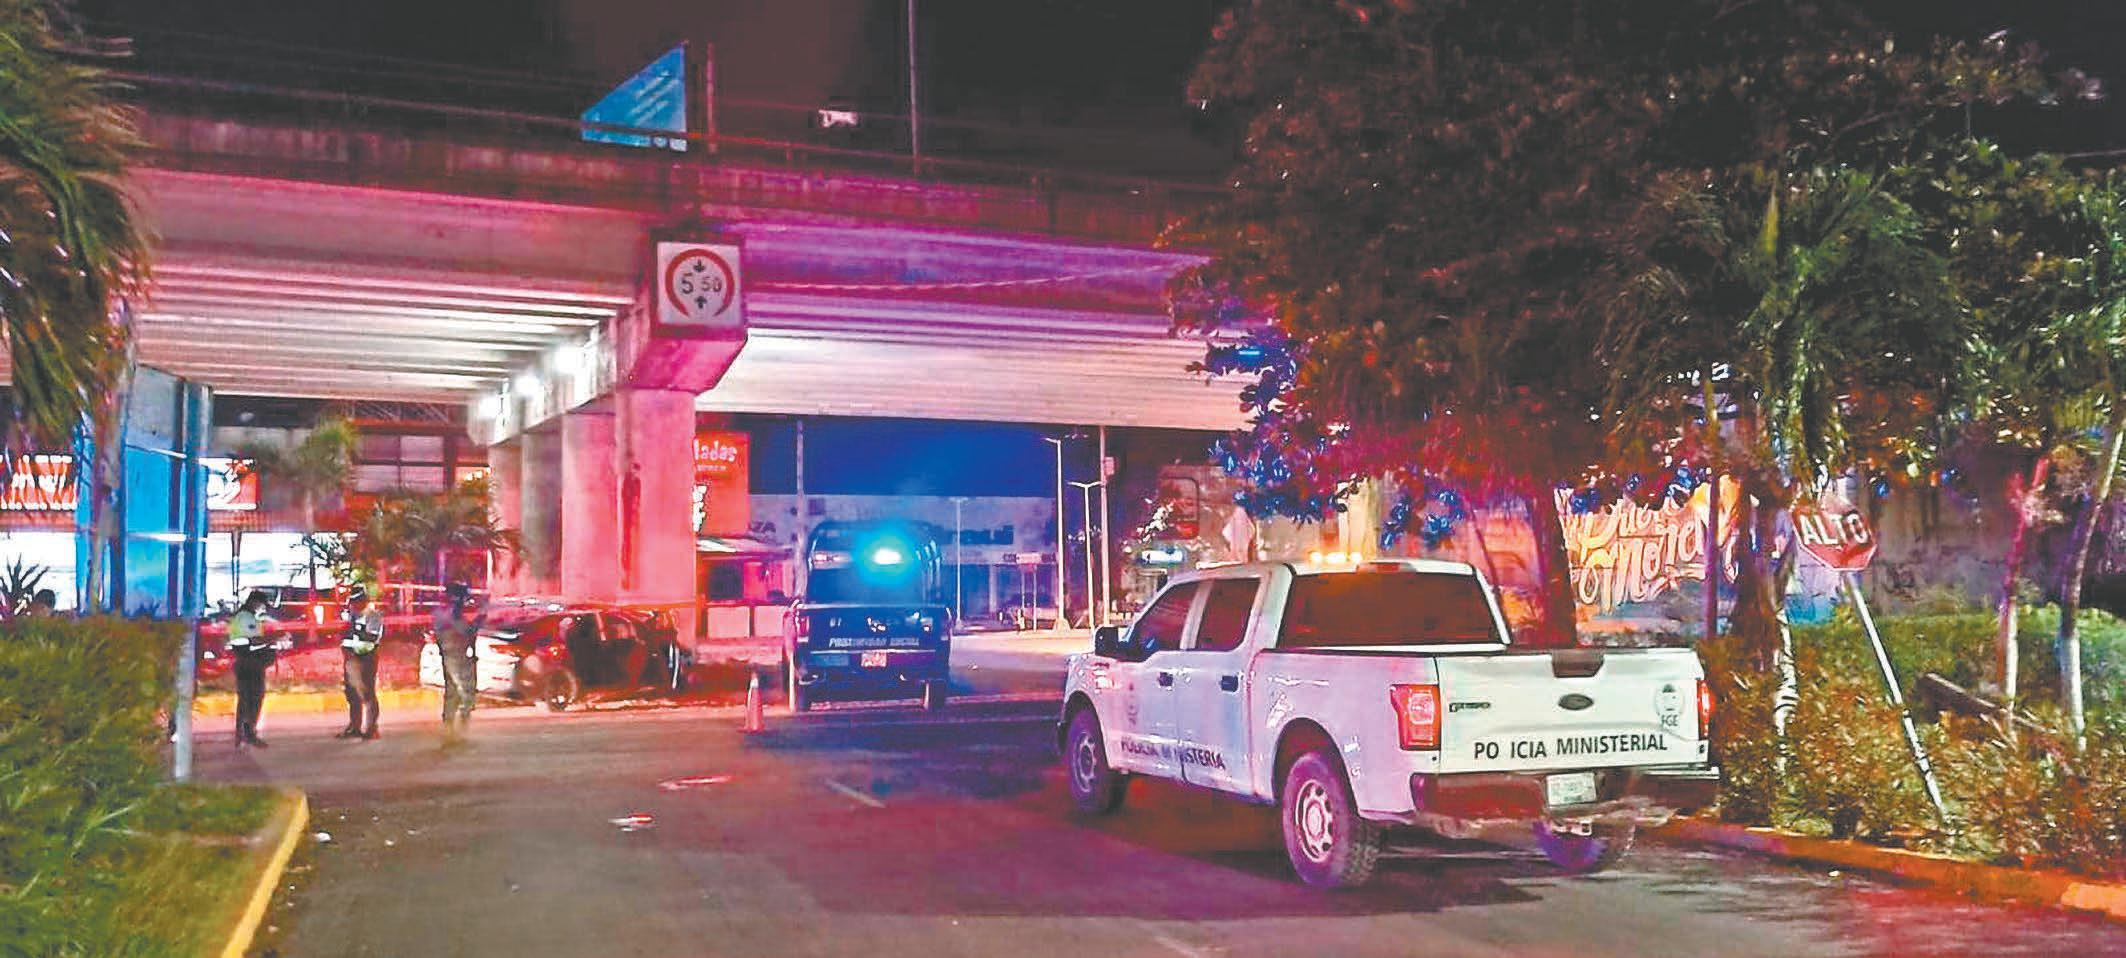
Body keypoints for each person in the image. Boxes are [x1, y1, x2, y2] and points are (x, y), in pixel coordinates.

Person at [432, 582, 483, 742]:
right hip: (456, 656)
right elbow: (463, 631)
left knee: (453, 692)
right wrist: (476, 623)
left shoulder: (442, 614)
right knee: (464, 692)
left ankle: (451, 730)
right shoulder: (450, 614)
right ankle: (458, 731)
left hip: (452, 656)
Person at [226, 591, 276, 749]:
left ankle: (243, 734)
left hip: (247, 662)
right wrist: (273, 640)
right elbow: (253, 640)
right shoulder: (245, 618)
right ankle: (247, 733)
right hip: (249, 663)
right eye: (261, 605)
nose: (262, 608)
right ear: (254, 602)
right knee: (252, 699)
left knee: (246, 700)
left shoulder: (244, 616)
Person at [336, 586, 386, 741]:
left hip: (366, 657)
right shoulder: (350, 616)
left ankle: (371, 729)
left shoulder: (373, 616)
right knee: (352, 694)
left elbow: (372, 637)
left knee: (367, 693)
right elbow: (343, 636)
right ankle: (355, 727)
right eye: (352, 602)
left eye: (356, 601)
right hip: (350, 657)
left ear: (363, 601)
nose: (353, 605)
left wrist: (355, 629)